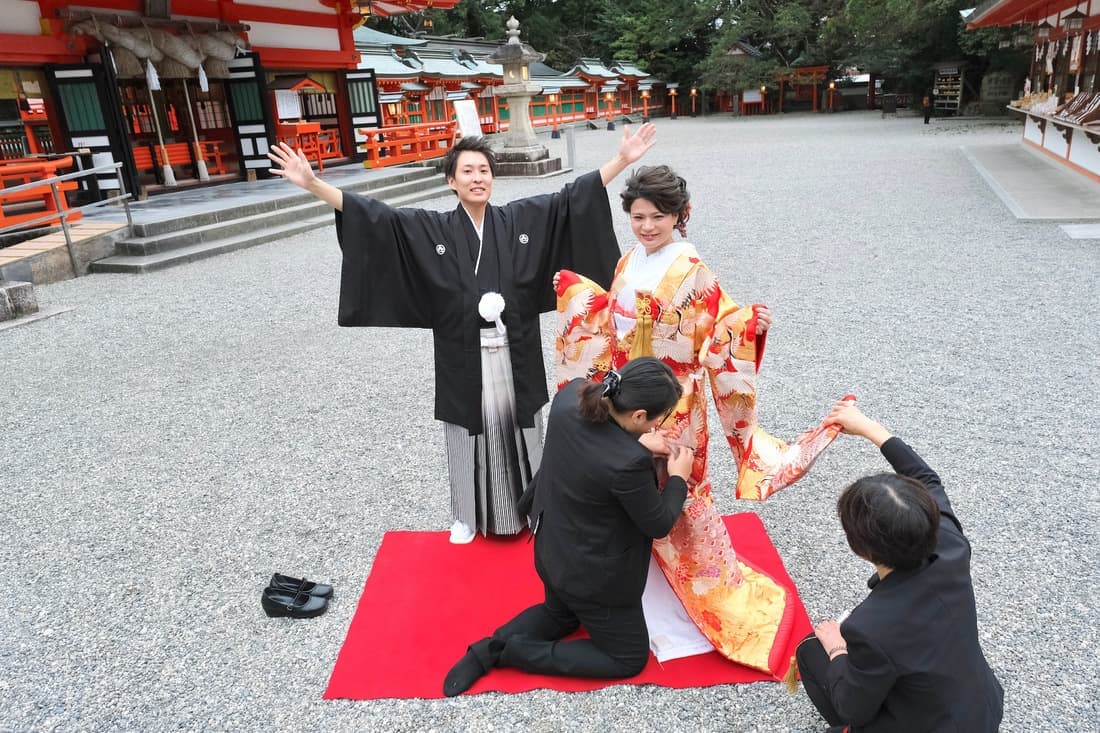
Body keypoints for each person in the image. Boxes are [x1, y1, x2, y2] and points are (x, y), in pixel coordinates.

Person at [266, 125, 656, 544]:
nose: (477, 178)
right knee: (466, 429)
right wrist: (312, 184)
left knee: (523, 427)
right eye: (467, 171)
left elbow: (569, 200)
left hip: (515, 349)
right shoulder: (432, 228)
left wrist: (622, 160)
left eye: (484, 170)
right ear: (451, 181)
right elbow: (379, 218)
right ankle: (466, 515)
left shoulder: (520, 220)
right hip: (462, 350)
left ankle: (536, 509)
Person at [553, 165, 845, 673]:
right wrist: (580, 298)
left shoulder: (694, 270)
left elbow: (722, 330)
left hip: (674, 399)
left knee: (674, 483)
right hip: (628, 391)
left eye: (658, 217)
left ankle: (694, 596)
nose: (646, 226)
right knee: (626, 480)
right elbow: (609, 319)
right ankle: (632, 586)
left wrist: (748, 325)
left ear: (679, 217)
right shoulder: (628, 261)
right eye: (638, 216)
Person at [442, 357, 693, 696]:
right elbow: (658, 523)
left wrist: (635, 443)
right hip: (592, 578)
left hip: (551, 549)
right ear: (638, 416)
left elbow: (594, 452)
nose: (658, 426)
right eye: (659, 419)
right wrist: (678, 478)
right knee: (629, 657)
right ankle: (512, 653)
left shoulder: (571, 395)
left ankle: (487, 649)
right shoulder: (628, 463)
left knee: (559, 615)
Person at [797, 402, 1004, 732]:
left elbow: (853, 706)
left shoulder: (869, 627)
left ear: (859, 547)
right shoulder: (950, 545)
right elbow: (925, 476)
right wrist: (867, 427)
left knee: (811, 649)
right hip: (981, 710)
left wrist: (838, 648)